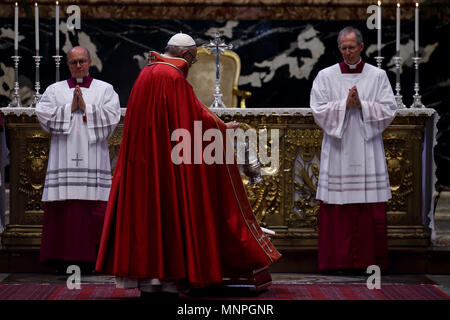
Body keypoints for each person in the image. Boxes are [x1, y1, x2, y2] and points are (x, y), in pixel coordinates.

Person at [95, 33, 280, 297]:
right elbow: (193, 117)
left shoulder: (147, 72)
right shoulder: (171, 77)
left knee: (148, 216)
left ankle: (150, 281)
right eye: (192, 61)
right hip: (166, 166)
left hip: (145, 163)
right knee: (168, 213)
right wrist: (221, 127)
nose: (191, 66)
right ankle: (168, 278)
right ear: (185, 55)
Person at [310, 27, 397, 272]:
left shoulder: (377, 76)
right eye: (343, 48)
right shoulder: (326, 76)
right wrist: (343, 105)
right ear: (339, 49)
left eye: (352, 47)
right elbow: (317, 109)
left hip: (367, 146)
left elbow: (389, 109)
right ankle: (337, 262)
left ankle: (370, 262)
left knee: (367, 205)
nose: (348, 52)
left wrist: (363, 105)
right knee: (338, 205)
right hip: (339, 147)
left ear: (361, 47)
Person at [36, 46, 121, 274]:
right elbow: (42, 113)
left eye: (82, 61)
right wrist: (68, 108)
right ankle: (59, 258)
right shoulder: (55, 90)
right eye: (74, 62)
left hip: (93, 159)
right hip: (63, 158)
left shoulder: (105, 89)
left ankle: (94, 259)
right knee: (65, 208)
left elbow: (113, 116)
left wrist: (87, 108)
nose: (78, 66)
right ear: (68, 64)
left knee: (92, 207)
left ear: (90, 61)